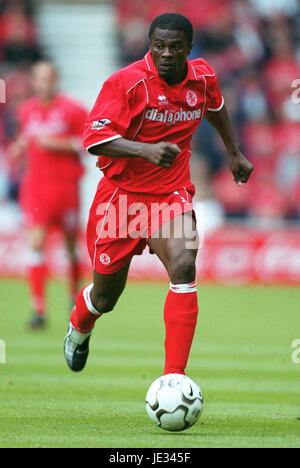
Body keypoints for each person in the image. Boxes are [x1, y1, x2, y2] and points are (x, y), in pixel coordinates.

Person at [64, 14, 253, 374]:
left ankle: (174, 379)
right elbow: (94, 139)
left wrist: (234, 151)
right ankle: (80, 324)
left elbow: (214, 105)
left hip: (170, 193)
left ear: (189, 48)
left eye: (175, 47)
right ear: (150, 45)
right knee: (105, 298)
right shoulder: (125, 83)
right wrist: (145, 150)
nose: (166, 53)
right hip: (120, 198)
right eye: (159, 46)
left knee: (184, 265)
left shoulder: (202, 77)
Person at [11, 61, 88, 329]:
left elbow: (88, 142)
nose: (44, 83)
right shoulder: (25, 110)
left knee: (70, 246)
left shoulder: (74, 109)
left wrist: (54, 143)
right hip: (36, 187)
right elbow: (25, 139)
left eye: (49, 78)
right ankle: (38, 310)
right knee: (36, 242)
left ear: (56, 80)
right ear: (34, 81)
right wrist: (19, 147)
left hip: (65, 186)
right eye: (39, 78)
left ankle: (72, 297)